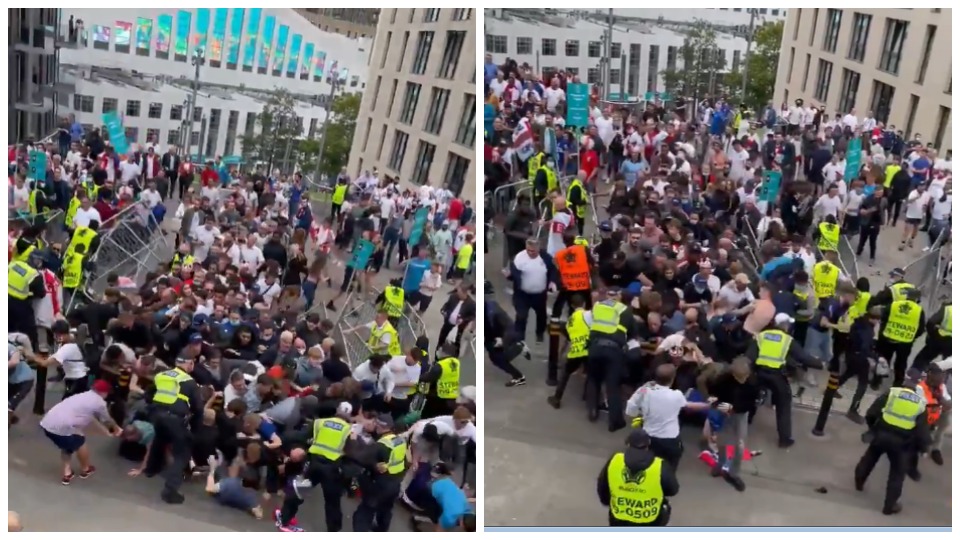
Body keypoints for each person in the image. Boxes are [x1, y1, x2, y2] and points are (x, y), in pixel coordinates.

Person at [855, 371, 930, 515]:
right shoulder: (921, 404)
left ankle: (859, 481)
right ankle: (889, 506)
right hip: (902, 443)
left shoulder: (892, 393)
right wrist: (923, 448)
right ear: (918, 384)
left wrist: (874, 429)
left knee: (870, 457)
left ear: (905, 380)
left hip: (882, 434)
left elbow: (871, 413)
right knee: (897, 473)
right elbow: (922, 431)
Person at [746, 313, 821, 447]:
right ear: (785, 325)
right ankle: (784, 439)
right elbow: (803, 357)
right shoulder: (787, 340)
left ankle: (747, 420)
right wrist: (820, 364)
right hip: (777, 376)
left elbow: (749, 356)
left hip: (759, 374)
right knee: (784, 405)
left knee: (751, 396)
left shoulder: (761, 336)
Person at [144, 356, 205, 504]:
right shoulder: (189, 382)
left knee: (161, 438)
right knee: (182, 453)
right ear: (189, 364)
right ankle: (170, 491)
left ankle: (151, 469)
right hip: (174, 417)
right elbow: (198, 408)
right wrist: (195, 430)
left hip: (156, 415)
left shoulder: (161, 375)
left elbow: (148, 394)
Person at [39, 379, 122, 485]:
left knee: (67, 444)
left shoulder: (83, 395)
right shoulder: (100, 403)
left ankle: (67, 472)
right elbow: (107, 419)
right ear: (104, 392)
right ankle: (86, 469)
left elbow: (91, 418)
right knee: (80, 442)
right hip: (62, 427)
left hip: (47, 423)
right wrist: (117, 428)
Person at [597, 430, 679, 527]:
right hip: (650, 520)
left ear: (628, 444)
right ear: (648, 445)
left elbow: (602, 485)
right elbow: (673, 490)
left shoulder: (615, 460)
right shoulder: (660, 465)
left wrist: (607, 501)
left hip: (619, 518)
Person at [586, 289, 636, 431]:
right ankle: (615, 421)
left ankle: (592, 412)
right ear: (619, 297)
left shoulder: (597, 306)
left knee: (593, 379)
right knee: (612, 385)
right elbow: (632, 333)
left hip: (595, 347)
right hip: (613, 350)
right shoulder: (624, 310)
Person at [352, 415, 407, 532]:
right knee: (385, 511)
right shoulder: (400, 440)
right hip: (396, 483)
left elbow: (360, 458)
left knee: (363, 514)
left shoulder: (380, 445)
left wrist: (354, 440)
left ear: (379, 426)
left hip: (381, 485)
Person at [877, 288, 925, 387]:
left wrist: (883, 332)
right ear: (917, 299)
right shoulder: (919, 310)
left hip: (888, 338)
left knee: (884, 360)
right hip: (905, 342)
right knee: (900, 364)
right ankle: (897, 383)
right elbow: (921, 328)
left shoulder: (894, 305)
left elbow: (883, 318)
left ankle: (876, 381)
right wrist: (912, 336)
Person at [548, 294, 591, 406]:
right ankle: (587, 396)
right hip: (589, 349)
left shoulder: (570, 320)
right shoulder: (588, 314)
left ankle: (557, 398)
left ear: (572, 306)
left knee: (566, 373)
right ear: (585, 304)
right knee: (591, 373)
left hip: (576, 351)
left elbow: (570, 337)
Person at [911, 364, 950, 470]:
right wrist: (941, 402)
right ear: (930, 376)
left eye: (941, 378)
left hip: (936, 412)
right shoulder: (920, 387)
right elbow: (922, 405)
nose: (940, 381)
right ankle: (921, 447)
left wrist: (942, 400)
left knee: (947, 418)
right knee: (924, 424)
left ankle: (935, 449)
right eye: (937, 378)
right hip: (923, 415)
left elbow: (948, 402)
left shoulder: (941, 386)